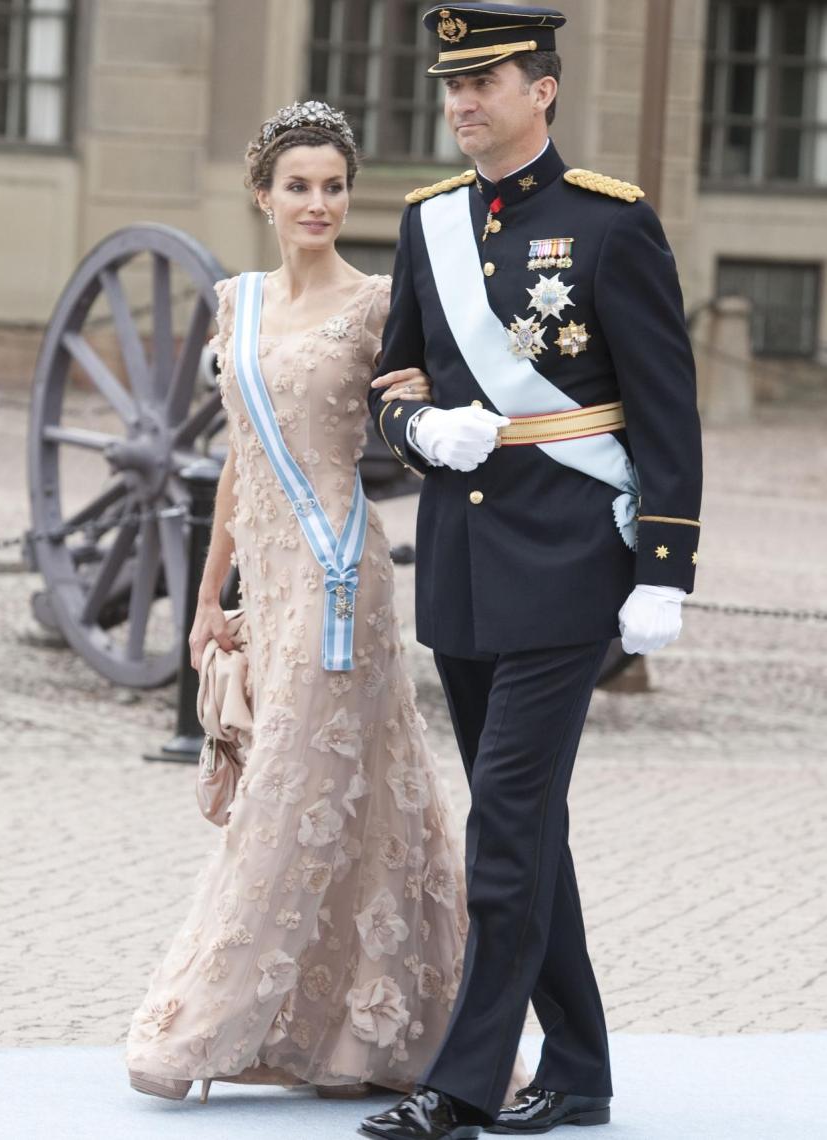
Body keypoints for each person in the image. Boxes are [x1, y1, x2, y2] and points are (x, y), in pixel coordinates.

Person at [125, 100, 528, 1104]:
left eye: (334, 186)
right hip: (268, 575)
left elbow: (421, 411)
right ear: (263, 194)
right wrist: (213, 593)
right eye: (299, 186)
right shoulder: (238, 302)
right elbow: (237, 458)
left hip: (342, 576)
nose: (319, 203)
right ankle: (352, 1034)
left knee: (295, 794)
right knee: (353, 797)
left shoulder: (378, 302)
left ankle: (206, 1020)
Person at [361, 5, 703, 1139]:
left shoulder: (611, 224)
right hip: (463, 563)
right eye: (451, 83)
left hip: (568, 560)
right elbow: (394, 376)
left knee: (502, 828)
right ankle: (584, 1070)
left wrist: (666, 564)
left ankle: (462, 1083)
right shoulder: (430, 224)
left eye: (487, 80)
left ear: (542, 90)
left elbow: (665, 406)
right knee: (530, 828)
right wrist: (420, 435)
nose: (462, 101)